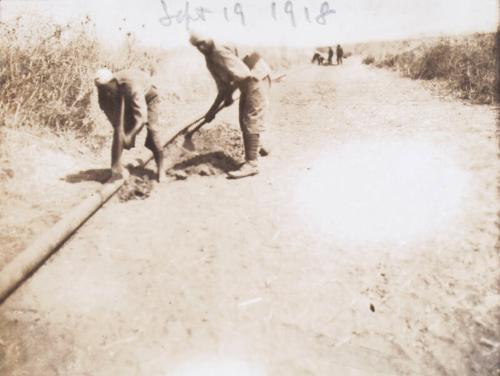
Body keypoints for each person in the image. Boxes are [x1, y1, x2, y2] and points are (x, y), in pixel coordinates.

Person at [189, 32, 272, 179]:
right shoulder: (210, 59)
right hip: (248, 80)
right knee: (244, 118)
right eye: (197, 46)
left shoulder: (219, 50)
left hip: (255, 77)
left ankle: (252, 164)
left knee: (250, 117)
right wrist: (213, 110)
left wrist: (228, 95)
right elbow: (223, 86)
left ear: (209, 37)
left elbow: (243, 75)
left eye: (203, 42)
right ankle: (258, 147)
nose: (201, 47)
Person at [94, 68, 165, 182]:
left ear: (113, 82)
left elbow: (141, 118)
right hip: (126, 97)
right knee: (120, 130)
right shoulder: (104, 88)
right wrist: (121, 131)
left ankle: (161, 170)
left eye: (106, 88)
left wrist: (130, 135)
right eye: (101, 89)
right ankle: (115, 168)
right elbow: (116, 123)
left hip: (150, 96)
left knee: (153, 131)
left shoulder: (131, 86)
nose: (105, 91)